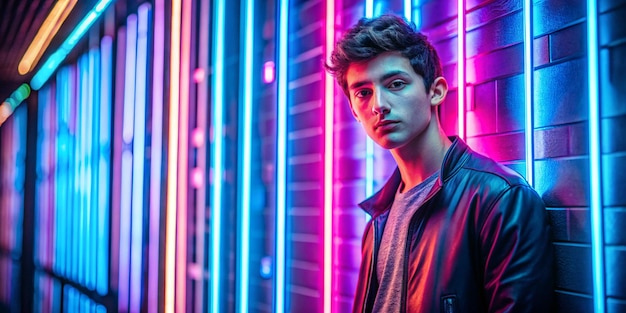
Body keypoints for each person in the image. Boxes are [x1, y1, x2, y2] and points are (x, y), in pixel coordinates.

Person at [325, 14, 553, 312]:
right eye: (363, 93)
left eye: (395, 83)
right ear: (355, 112)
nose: (378, 104)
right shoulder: (378, 218)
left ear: (436, 92)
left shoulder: (499, 200)